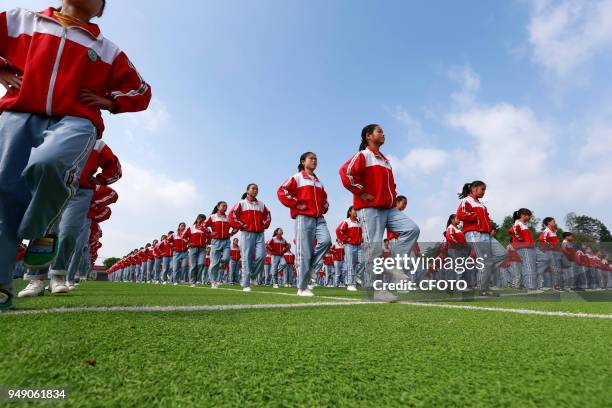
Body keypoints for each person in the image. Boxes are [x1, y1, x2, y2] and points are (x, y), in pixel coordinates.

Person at [0, 1, 151, 309]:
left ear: (100, 11)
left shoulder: (107, 50)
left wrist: (109, 102)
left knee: (51, 163)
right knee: (6, 194)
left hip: (76, 119)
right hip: (19, 111)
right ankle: (4, 286)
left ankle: (42, 238)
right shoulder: (22, 20)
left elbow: (141, 91)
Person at [339, 124, 420, 302]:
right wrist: (361, 192)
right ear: (368, 136)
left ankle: (391, 265)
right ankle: (377, 290)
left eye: (383, 131)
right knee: (373, 250)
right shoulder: (363, 155)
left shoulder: (385, 160)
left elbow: (391, 186)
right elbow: (346, 173)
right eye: (379, 131)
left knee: (412, 229)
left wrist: (392, 198)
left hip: (388, 208)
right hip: (370, 208)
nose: (383, 134)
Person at [278, 152, 332, 297]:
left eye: (316, 159)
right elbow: (282, 191)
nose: (314, 161)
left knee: (326, 241)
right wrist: (296, 203)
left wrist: (324, 207)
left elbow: (324, 198)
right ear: (303, 162)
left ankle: (312, 267)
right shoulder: (297, 177)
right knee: (305, 252)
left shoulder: (318, 182)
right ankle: (301, 288)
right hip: (304, 217)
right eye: (311, 158)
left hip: (319, 217)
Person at [456, 180, 506, 296]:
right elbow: (460, 214)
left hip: (486, 234)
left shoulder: (481, 204)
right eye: (482, 189)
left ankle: (484, 268)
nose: (484, 192)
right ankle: (483, 289)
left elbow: (487, 218)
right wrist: (475, 216)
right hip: (475, 233)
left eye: (485, 190)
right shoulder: (466, 200)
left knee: (502, 253)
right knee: (486, 262)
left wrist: (490, 228)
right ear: (474, 189)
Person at [205, 202, 236, 288]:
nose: (225, 207)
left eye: (226, 206)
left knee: (226, 258)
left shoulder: (228, 218)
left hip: (226, 241)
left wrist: (231, 234)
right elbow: (204, 226)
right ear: (218, 207)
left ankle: (218, 263)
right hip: (216, 241)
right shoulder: (212, 217)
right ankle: (213, 281)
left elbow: (236, 226)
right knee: (214, 263)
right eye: (223, 206)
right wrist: (210, 233)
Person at [508, 208, 538, 291]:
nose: (530, 218)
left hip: (527, 247)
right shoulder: (518, 223)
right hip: (525, 248)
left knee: (527, 267)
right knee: (529, 267)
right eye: (529, 216)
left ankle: (528, 285)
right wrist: (521, 240)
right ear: (523, 215)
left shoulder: (523, 224)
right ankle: (531, 287)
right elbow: (512, 230)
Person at [336, 207, 363, 292]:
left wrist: (361, 238)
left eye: (357, 210)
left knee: (363, 261)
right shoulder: (346, 221)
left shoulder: (359, 222)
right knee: (350, 264)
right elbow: (338, 230)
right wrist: (345, 238)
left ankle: (357, 276)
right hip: (349, 246)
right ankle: (350, 283)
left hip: (359, 245)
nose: (356, 212)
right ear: (350, 212)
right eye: (354, 210)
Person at [184, 214, 210, 287]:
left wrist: (207, 243)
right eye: (201, 219)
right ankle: (192, 281)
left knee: (201, 264)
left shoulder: (206, 229)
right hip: (193, 248)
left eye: (204, 220)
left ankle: (196, 279)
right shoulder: (191, 228)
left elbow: (210, 236)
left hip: (202, 249)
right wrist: (188, 243)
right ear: (197, 219)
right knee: (193, 265)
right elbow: (184, 237)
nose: (202, 221)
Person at [537, 217, 562, 290]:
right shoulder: (547, 230)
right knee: (554, 268)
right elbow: (541, 239)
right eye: (553, 221)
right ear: (548, 222)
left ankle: (556, 285)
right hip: (550, 252)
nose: (555, 222)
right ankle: (556, 285)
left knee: (555, 268)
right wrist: (549, 246)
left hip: (555, 252)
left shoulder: (553, 231)